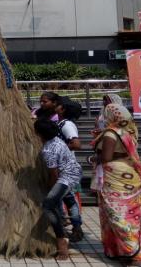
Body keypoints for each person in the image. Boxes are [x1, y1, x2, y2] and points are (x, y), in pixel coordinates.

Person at [90, 104, 141, 266]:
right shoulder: (129, 131)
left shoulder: (111, 133)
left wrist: (94, 158)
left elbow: (106, 158)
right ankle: (123, 251)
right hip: (129, 175)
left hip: (115, 178)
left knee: (116, 215)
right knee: (130, 215)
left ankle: (134, 254)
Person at [34, 119, 82, 260]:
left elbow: (54, 175)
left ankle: (62, 241)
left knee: (48, 205)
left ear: (38, 133)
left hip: (67, 177)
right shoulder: (56, 139)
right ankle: (72, 229)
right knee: (58, 202)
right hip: (73, 172)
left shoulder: (48, 150)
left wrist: (49, 188)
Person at [55, 97, 84, 242]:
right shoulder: (61, 123)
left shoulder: (66, 125)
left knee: (69, 199)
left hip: (67, 168)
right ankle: (73, 226)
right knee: (66, 198)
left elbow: (76, 144)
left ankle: (76, 227)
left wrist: (58, 151)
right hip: (62, 166)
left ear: (63, 109)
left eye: (59, 105)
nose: (56, 106)